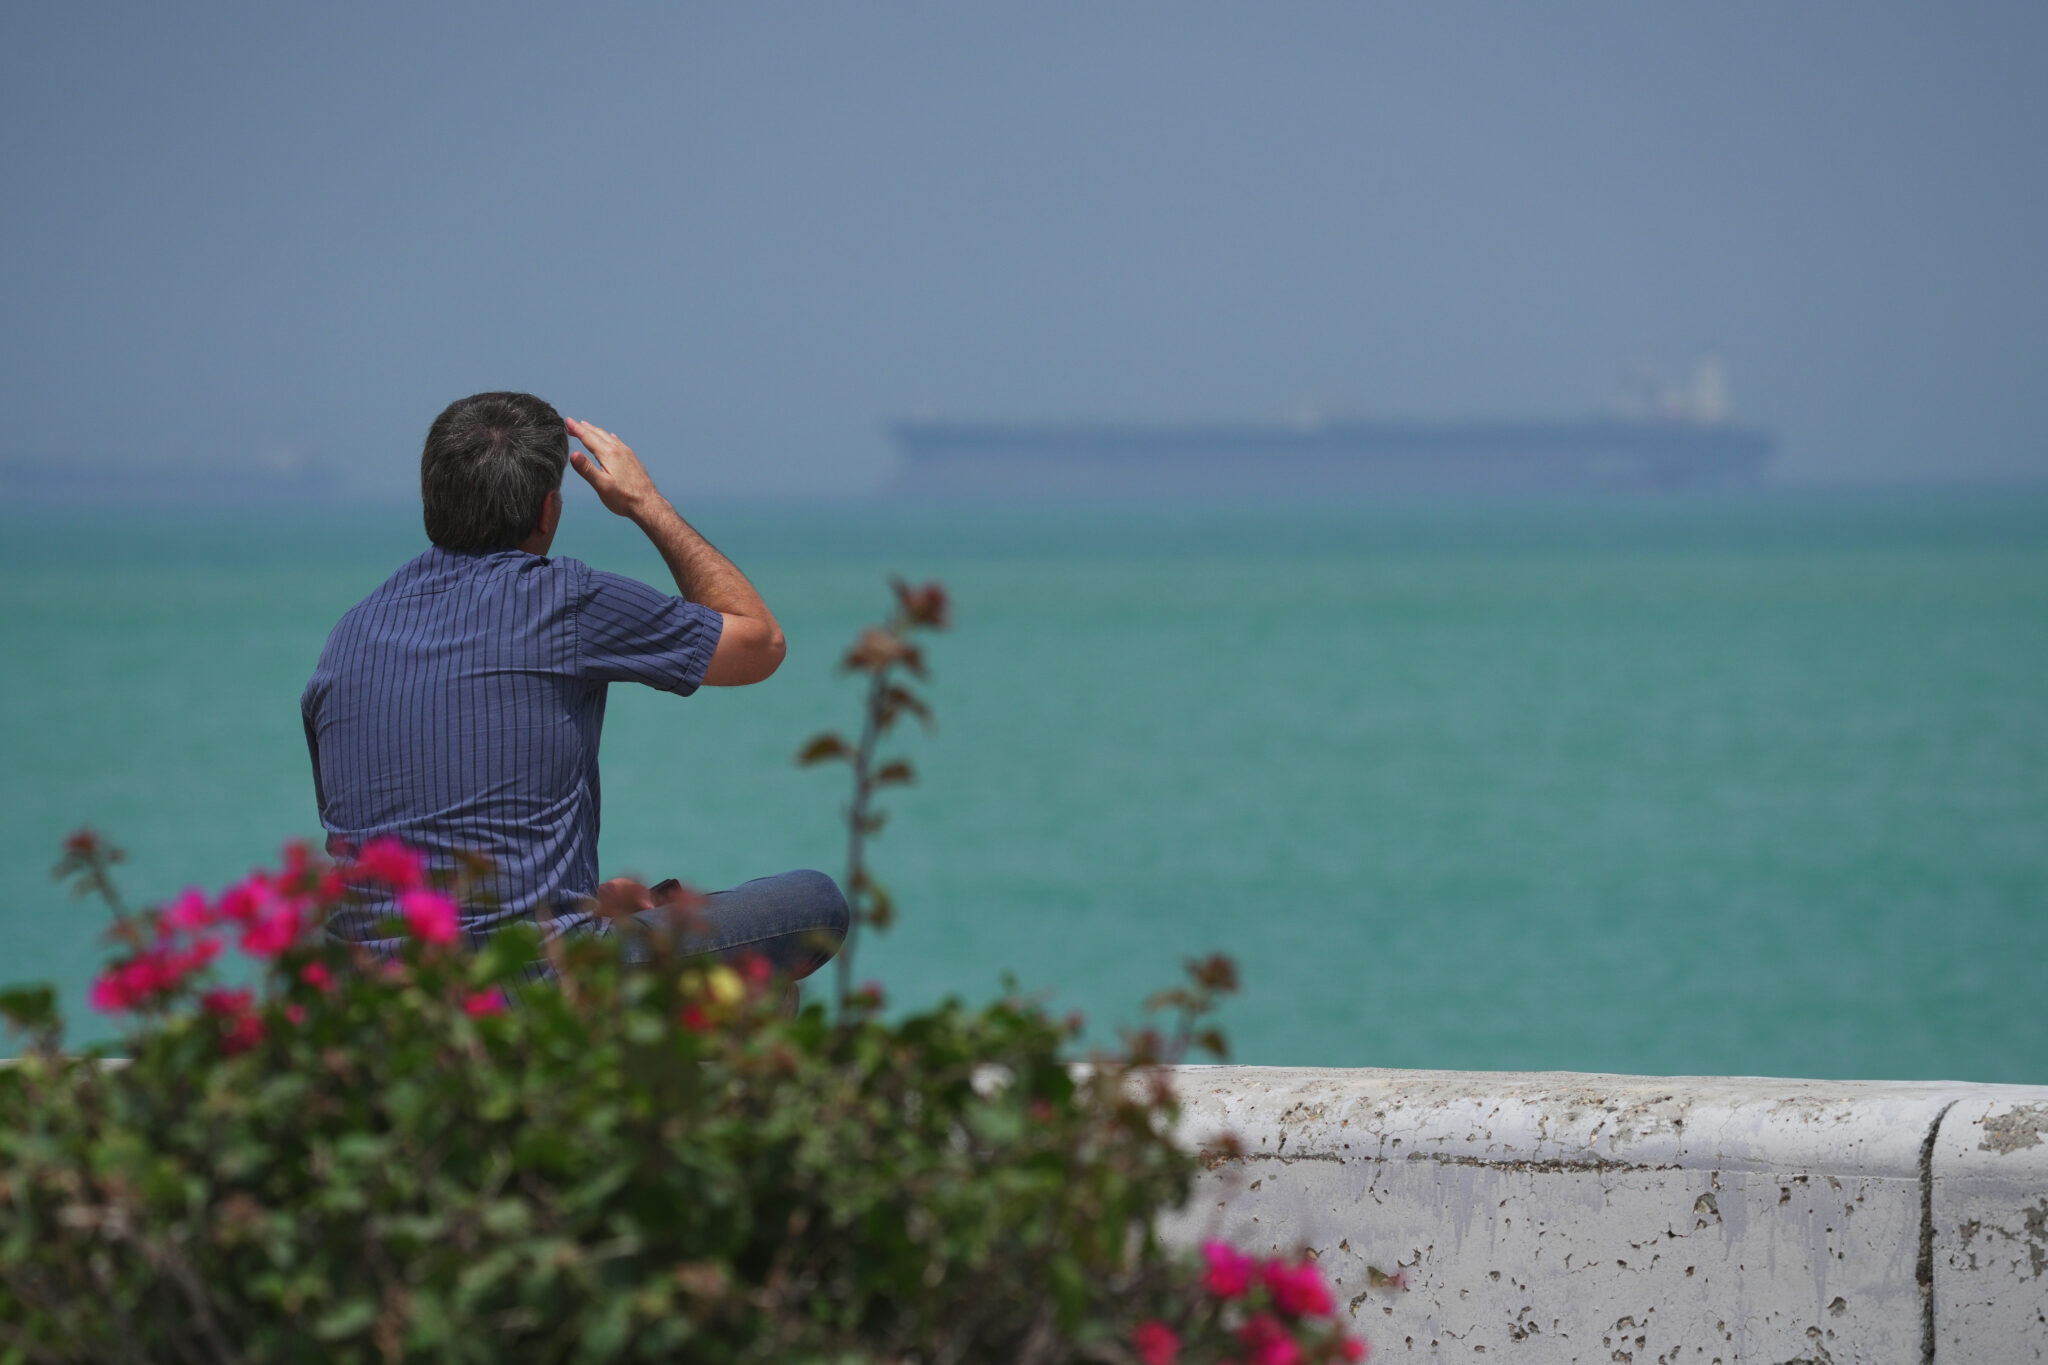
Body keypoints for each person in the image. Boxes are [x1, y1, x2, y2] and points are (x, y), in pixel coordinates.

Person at [300, 391, 847, 980]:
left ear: (431, 501)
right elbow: (759, 644)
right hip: (527, 982)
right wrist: (645, 503)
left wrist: (582, 901)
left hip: (372, 990)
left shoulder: (347, 637)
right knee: (815, 903)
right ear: (548, 511)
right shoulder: (562, 599)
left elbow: (413, 827)